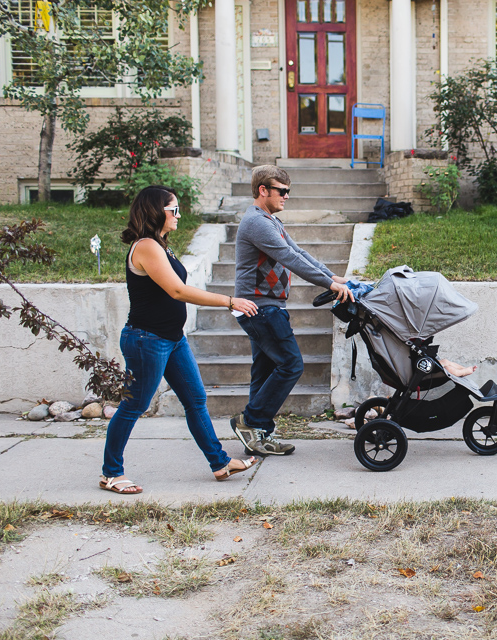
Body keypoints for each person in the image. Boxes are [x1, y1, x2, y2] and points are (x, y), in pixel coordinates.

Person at [100, 185, 260, 495]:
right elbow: (177, 291)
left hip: (172, 339)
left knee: (196, 400)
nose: (178, 215)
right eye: (173, 210)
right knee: (134, 406)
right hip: (147, 340)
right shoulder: (146, 246)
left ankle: (220, 463)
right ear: (155, 211)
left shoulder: (161, 245)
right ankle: (111, 473)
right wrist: (229, 301)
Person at [231, 166, 354, 456]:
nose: (287, 196)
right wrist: (328, 283)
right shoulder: (256, 223)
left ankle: (258, 435)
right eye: (282, 191)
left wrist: (331, 277)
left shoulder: (270, 220)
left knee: (264, 372)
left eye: (288, 191)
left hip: (267, 306)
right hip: (259, 307)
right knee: (291, 365)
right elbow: (288, 258)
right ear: (263, 190)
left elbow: (298, 252)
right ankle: (250, 422)